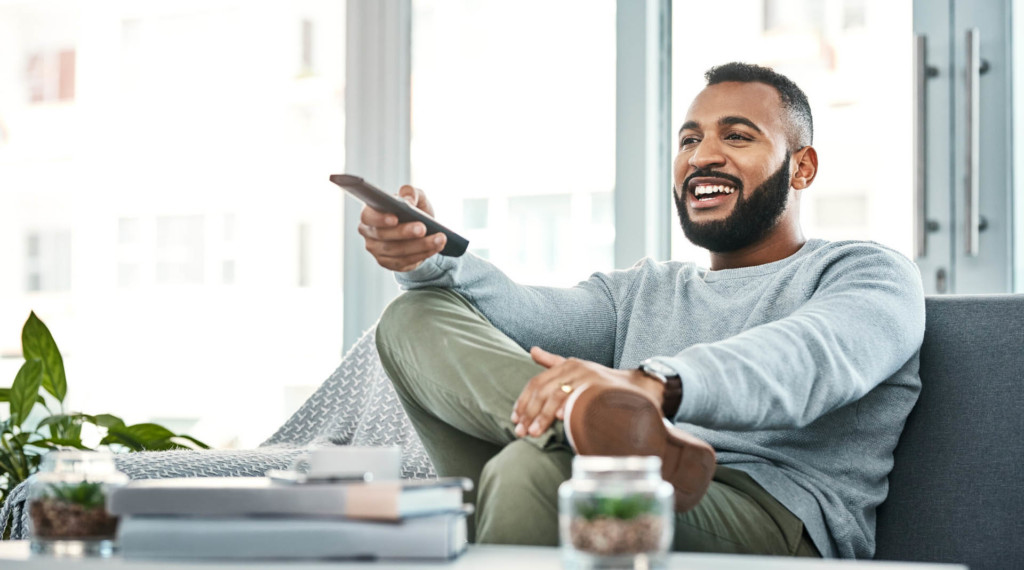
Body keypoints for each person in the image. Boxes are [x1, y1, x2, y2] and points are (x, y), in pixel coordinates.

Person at [359, 62, 925, 559]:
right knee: (413, 316)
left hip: (773, 518)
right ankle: (594, 427)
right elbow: (519, 311)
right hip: (616, 481)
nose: (703, 157)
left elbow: (805, 360)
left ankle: (605, 429)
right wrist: (434, 258)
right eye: (689, 140)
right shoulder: (644, 290)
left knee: (533, 472)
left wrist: (653, 386)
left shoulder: (868, 273)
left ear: (801, 168)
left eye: (738, 136)